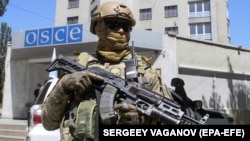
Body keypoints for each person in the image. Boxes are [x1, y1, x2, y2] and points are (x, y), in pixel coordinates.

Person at [42, 2, 173, 141]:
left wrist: (143, 120)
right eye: (113, 25)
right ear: (99, 27)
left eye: (126, 27)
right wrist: (64, 85)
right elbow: (48, 123)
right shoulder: (80, 66)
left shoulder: (145, 71)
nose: (121, 30)